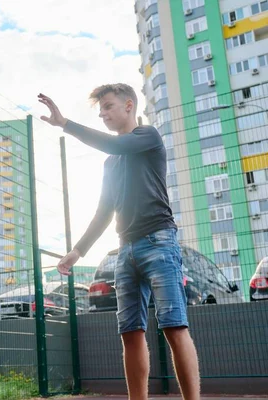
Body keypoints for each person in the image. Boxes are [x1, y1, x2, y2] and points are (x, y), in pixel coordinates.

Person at [38, 84, 200, 400]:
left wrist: (65, 124)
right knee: (130, 333)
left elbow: (114, 145)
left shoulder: (148, 137)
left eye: (108, 106)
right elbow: (104, 210)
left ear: (128, 105)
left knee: (174, 327)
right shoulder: (111, 162)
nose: (103, 114)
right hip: (125, 251)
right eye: (100, 110)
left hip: (159, 242)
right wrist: (77, 251)